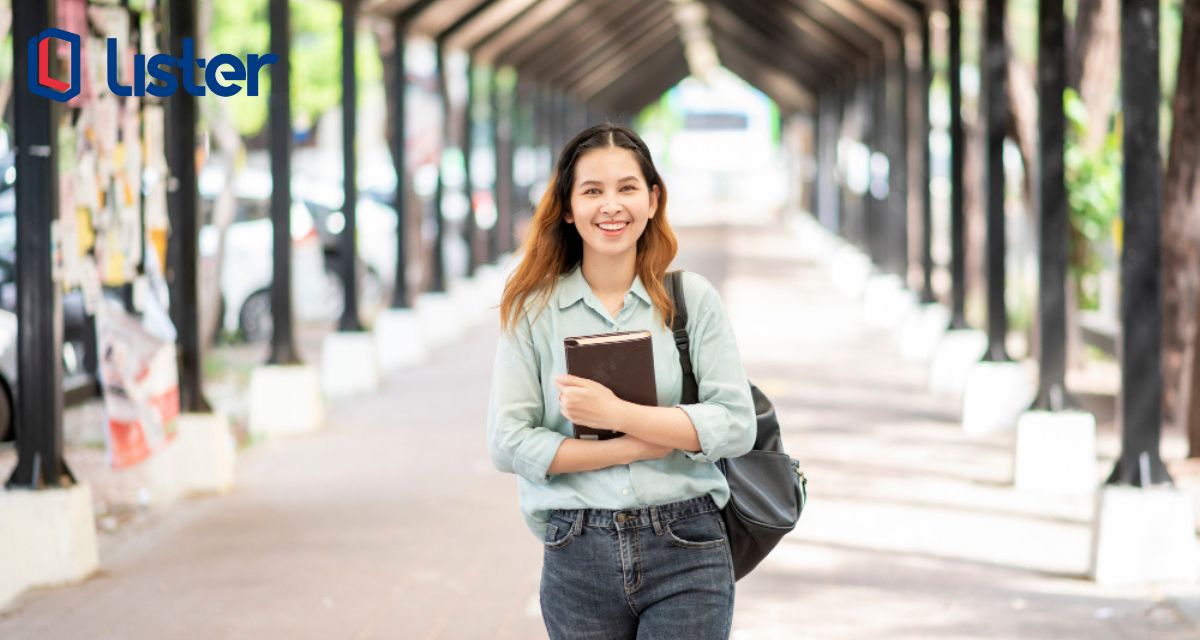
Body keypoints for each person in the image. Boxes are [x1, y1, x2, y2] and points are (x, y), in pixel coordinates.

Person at [486, 123, 756, 639]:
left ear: (653, 199)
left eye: (627, 188)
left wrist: (617, 417)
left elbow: (736, 424)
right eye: (593, 191)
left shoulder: (691, 301)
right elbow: (508, 442)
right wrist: (633, 446)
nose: (612, 205)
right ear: (567, 207)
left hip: (688, 543)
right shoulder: (533, 311)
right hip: (577, 550)